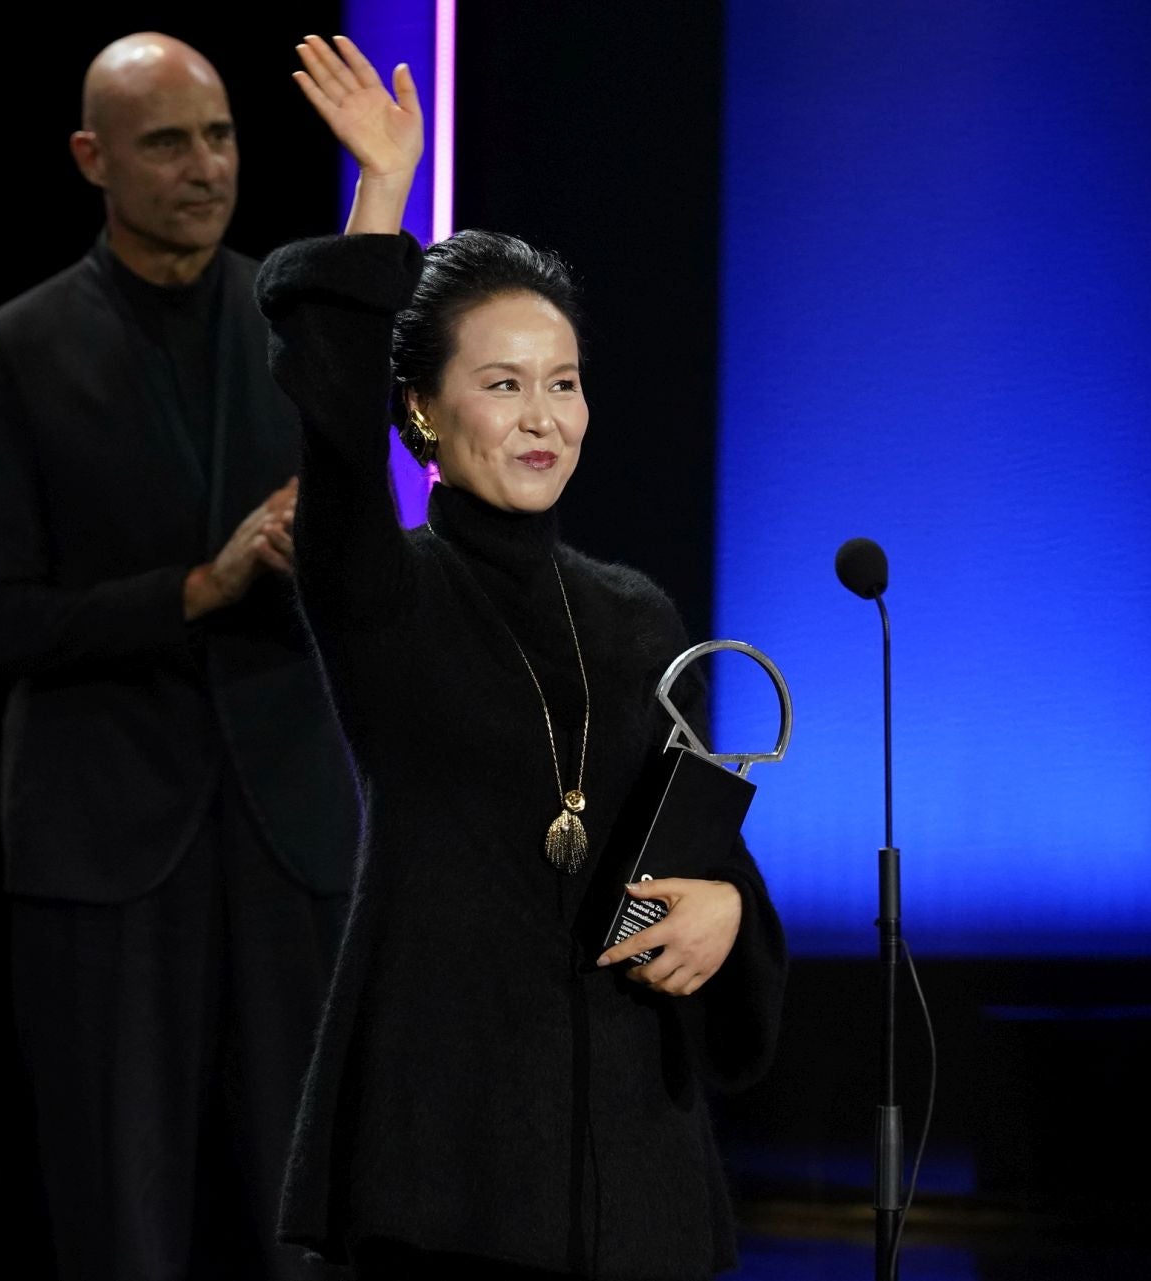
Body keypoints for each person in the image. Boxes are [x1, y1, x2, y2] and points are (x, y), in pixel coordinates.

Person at [254, 35, 788, 1280]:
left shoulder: (639, 616)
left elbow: (702, 860)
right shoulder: (382, 589)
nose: (545, 416)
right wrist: (382, 191)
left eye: (566, 383)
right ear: (426, 415)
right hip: (445, 1157)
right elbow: (332, 428)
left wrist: (723, 912)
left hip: (633, 1160)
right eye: (504, 383)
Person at [0, 32, 357, 1281]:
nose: (205, 167)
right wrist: (198, 587)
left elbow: (371, 586)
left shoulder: (290, 326)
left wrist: (324, 553)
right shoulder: (13, 351)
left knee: (313, 1224)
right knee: (120, 1225)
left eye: (222, 136)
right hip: (106, 841)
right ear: (93, 158)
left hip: (292, 831)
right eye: (168, 142)